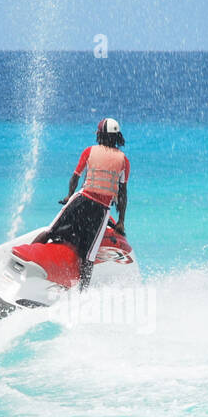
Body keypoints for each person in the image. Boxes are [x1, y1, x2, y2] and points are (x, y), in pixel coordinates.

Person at [34, 117, 129, 289]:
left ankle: (26, 257)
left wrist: (68, 196)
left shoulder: (89, 151)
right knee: (89, 256)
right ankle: (82, 292)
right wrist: (121, 221)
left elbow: (75, 177)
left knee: (49, 232)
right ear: (117, 137)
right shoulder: (123, 160)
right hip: (101, 211)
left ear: (99, 135)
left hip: (81, 201)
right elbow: (122, 193)